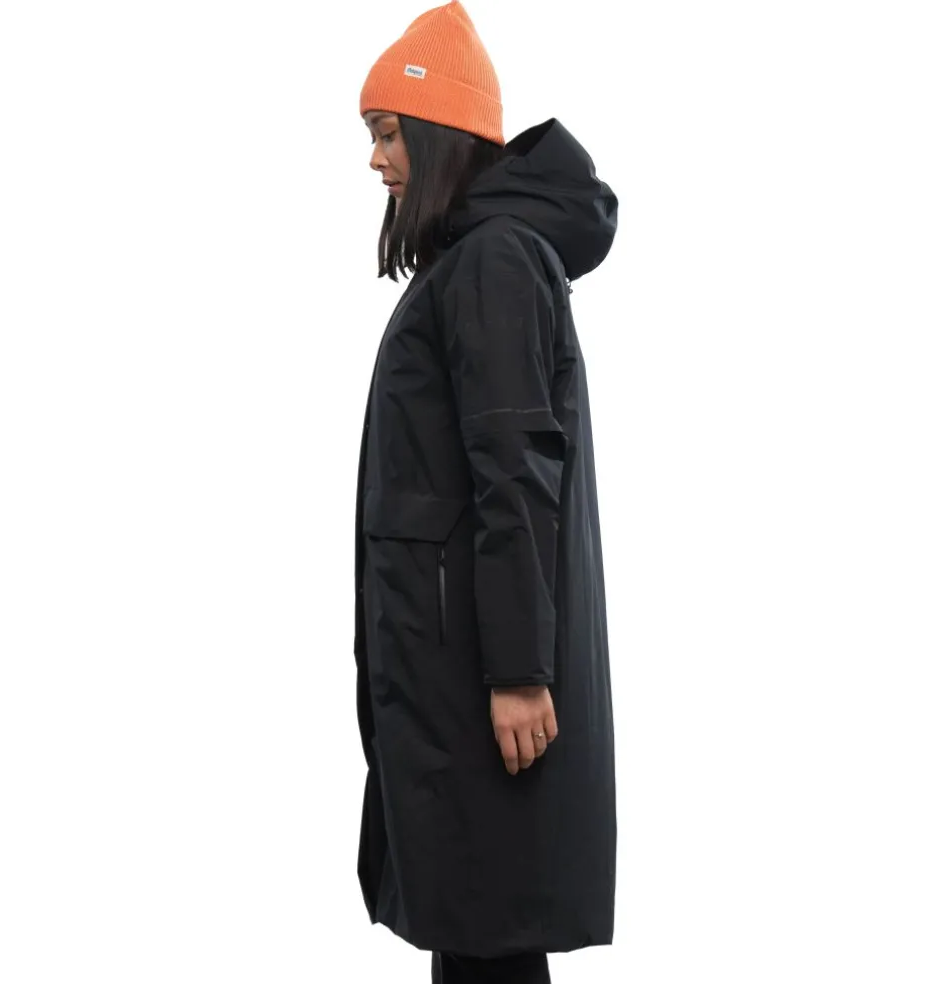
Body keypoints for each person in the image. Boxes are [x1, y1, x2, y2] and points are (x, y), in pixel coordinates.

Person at [352, 3, 617, 981]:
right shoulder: (476, 259)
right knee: (476, 932)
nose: (376, 160)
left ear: (437, 130)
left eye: (389, 132)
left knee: (488, 935)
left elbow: (515, 471)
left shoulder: (494, 262)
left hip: (477, 674)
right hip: (455, 661)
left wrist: (517, 672)